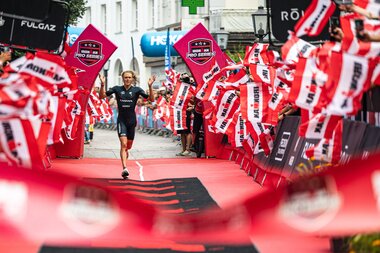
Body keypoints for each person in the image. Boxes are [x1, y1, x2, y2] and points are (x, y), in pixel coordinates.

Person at [99, 70, 155, 179]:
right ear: (122, 78)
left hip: (132, 121)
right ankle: (124, 168)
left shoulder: (137, 90)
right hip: (122, 120)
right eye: (125, 77)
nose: (127, 79)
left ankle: (125, 154)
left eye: (129, 77)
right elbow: (102, 96)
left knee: (128, 146)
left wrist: (150, 86)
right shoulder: (117, 89)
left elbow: (151, 99)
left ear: (132, 78)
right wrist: (102, 84)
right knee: (123, 144)